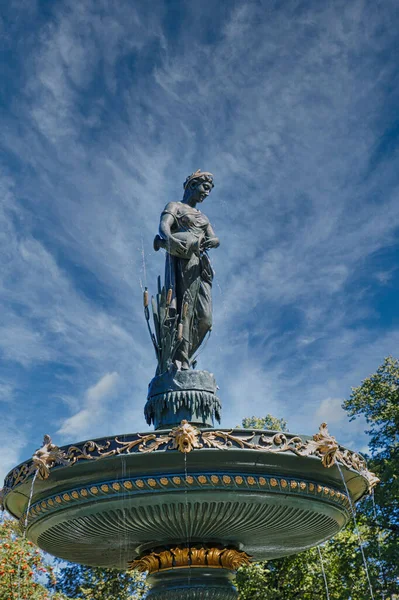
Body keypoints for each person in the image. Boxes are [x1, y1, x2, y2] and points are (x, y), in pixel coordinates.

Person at [154, 169, 220, 370]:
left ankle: (185, 355)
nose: (206, 193)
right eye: (204, 187)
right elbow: (164, 226)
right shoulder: (175, 206)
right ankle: (179, 359)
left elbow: (214, 238)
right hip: (182, 259)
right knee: (185, 309)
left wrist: (213, 241)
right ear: (192, 185)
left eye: (209, 190)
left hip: (199, 265)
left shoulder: (203, 217)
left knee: (206, 319)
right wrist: (170, 240)